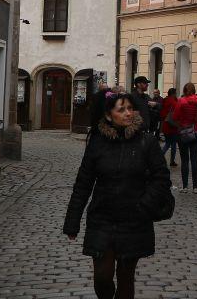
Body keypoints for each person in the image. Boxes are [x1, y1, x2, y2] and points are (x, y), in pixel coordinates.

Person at [64, 89, 173, 299]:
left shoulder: (146, 142)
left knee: (126, 277)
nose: (128, 113)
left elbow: (161, 178)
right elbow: (83, 183)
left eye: (130, 108)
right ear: (108, 115)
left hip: (134, 220)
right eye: (121, 109)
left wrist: (144, 205)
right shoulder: (97, 143)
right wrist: (72, 221)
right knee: (102, 278)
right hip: (102, 218)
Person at [173, 82, 197, 193]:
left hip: (183, 132)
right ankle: (195, 187)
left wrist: (182, 123)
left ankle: (185, 186)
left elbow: (175, 116)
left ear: (184, 90)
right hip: (196, 132)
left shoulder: (181, 101)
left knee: (184, 160)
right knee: (194, 160)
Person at [159, 87, 180, 167]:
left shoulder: (164, 100)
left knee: (167, 143)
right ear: (173, 93)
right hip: (172, 126)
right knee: (173, 144)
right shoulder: (174, 102)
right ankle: (171, 161)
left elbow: (162, 112)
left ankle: (160, 158)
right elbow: (177, 114)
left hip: (165, 124)